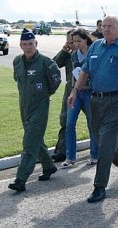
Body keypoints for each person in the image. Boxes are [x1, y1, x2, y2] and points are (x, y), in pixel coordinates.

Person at [67, 16, 118, 203]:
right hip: (96, 100)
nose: (106, 29)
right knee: (101, 141)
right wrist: (74, 91)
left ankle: (99, 186)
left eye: (110, 26)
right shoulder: (95, 47)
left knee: (107, 140)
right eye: (104, 26)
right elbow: (85, 71)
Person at [8, 28, 61, 192]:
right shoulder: (17, 61)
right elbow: (18, 80)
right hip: (24, 106)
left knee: (29, 143)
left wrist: (44, 95)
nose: (28, 47)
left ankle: (21, 179)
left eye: (31, 43)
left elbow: (55, 83)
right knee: (36, 140)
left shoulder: (46, 63)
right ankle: (49, 166)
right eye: (24, 44)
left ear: (35, 43)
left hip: (40, 107)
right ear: (21, 45)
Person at [60, 28, 98, 168]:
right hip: (76, 93)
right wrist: (72, 91)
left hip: (90, 93)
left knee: (91, 124)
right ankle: (70, 157)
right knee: (69, 124)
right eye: (74, 41)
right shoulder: (74, 55)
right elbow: (72, 74)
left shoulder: (94, 52)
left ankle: (94, 155)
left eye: (79, 41)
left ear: (86, 39)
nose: (76, 44)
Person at [51, 29, 76, 163]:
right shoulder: (67, 54)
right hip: (70, 89)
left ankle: (101, 150)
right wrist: (63, 51)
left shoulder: (88, 52)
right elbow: (53, 65)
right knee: (65, 120)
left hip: (88, 90)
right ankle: (61, 151)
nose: (71, 45)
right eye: (69, 42)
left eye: (73, 42)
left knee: (95, 122)